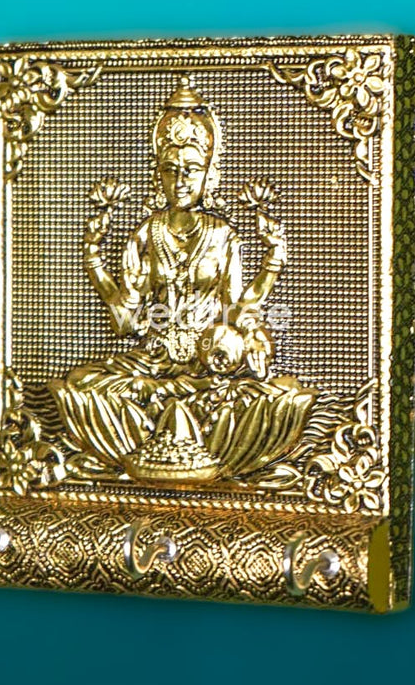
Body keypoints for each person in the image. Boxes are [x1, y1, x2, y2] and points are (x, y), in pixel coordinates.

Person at [49, 76, 316, 482]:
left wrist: (272, 262)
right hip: (153, 360)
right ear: (158, 175)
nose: (181, 181)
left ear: (209, 174)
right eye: (171, 170)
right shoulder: (146, 234)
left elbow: (237, 309)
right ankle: (183, 421)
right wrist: (94, 257)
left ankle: (175, 423)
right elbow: (125, 320)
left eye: (192, 170)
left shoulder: (222, 235)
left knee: (283, 395)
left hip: (211, 363)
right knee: (83, 385)